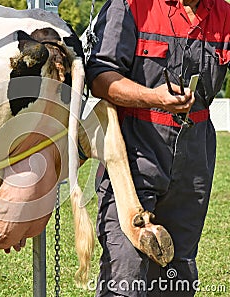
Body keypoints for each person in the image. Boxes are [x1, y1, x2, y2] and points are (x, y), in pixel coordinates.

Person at [86, 0, 230, 296]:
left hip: (194, 161)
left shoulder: (224, 15)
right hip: (133, 153)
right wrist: (153, 97)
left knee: (178, 271)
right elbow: (100, 78)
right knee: (124, 268)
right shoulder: (130, 6)